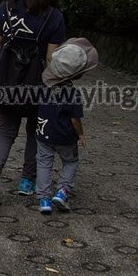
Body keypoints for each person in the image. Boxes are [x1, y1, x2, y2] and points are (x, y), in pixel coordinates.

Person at [0, 0, 66, 207]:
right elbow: (52, 58)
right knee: (34, 132)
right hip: (37, 84)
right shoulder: (54, 16)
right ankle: (27, 182)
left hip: (6, 80)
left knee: (5, 131)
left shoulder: (7, 8)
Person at [35, 38, 98, 214]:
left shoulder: (43, 86)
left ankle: (44, 199)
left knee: (44, 163)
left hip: (44, 132)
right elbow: (75, 119)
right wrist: (81, 134)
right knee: (70, 161)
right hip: (66, 137)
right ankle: (62, 191)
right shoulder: (72, 94)